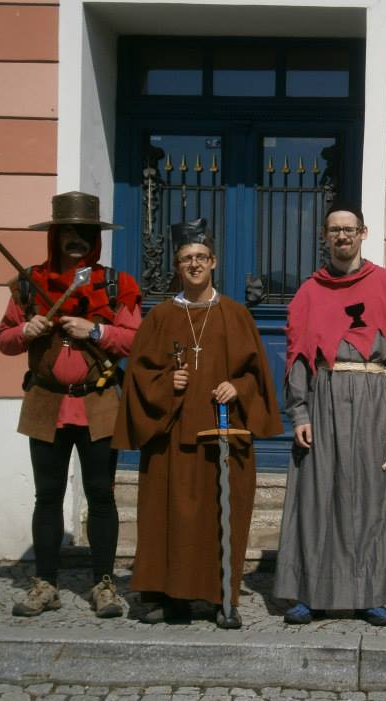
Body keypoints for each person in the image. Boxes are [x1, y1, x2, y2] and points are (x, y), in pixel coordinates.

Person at [113, 219, 282, 628]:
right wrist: (165, 382)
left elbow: (258, 376)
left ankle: (223, 598)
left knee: (222, 515)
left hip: (224, 436)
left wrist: (237, 386)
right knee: (172, 518)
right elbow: (137, 377)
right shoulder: (159, 317)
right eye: (186, 258)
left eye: (201, 257)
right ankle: (174, 599)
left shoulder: (236, 315)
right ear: (176, 265)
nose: (194, 264)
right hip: (171, 440)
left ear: (214, 262)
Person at [0, 191, 141, 618]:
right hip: (45, 403)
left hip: (99, 402)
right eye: (69, 231)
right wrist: (26, 330)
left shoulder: (115, 285)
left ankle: (104, 584)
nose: (77, 239)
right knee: (47, 496)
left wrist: (95, 331)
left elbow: (136, 340)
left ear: (95, 238)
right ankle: (45, 584)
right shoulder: (29, 284)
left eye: (86, 232)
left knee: (101, 496)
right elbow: (4, 339)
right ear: (55, 235)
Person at [273, 203, 386, 626]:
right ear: (325, 236)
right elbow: (298, 356)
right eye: (334, 230)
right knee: (317, 495)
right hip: (324, 395)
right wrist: (299, 413)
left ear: (363, 233)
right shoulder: (309, 292)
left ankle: (369, 594)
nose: (342, 236)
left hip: (373, 397)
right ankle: (311, 593)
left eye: (349, 229)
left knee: (370, 498)